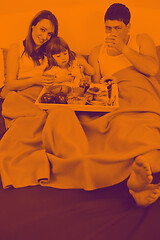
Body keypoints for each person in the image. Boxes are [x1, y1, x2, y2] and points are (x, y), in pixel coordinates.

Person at [88, 3, 160, 206]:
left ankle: (137, 179)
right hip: (119, 103)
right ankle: (139, 180)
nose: (112, 33)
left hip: (145, 100)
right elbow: (95, 89)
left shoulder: (141, 40)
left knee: (150, 135)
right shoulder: (96, 52)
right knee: (118, 129)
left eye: (117, 28)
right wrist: (103, 85)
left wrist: (124, 49)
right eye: (108, 28)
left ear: (128, 27)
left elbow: (152, 68)